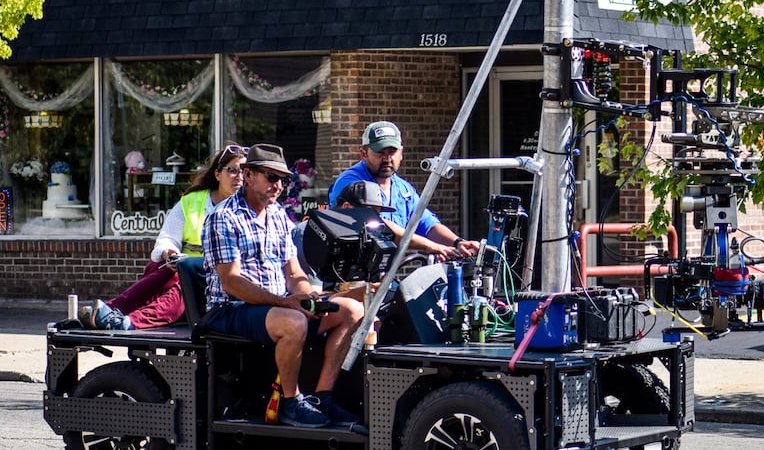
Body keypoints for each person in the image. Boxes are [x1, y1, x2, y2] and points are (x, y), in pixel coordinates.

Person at [198, 143, 365, 429]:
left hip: (274, 304)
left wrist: (308, 294)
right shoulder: (223, 217)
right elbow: (232, 282)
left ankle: (322, 397)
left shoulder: (277, 215)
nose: (279, 185)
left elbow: (294, 271)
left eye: (283, 179)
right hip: (230, 308)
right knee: (294, 322)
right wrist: (287, 302)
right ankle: (290, 402)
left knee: (352, 308)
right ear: (248, 175)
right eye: (271, 177)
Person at [79, 143, 246, 330]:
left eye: (244, 172)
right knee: (161, 269)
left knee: (185, 285)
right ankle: (113, 309)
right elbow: (168, 236)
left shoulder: (247, 206)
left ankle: (130, 322)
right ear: (217, 174)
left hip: (216, 274)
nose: (239, 177)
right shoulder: (193, 200)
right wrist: (170, 253)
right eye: (233, 171)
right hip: (183, 266)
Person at [327, 121, 481, 262]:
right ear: (363, 153)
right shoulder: (351, 183)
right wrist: (430, 246)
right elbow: (376, 225)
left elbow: (426, 224)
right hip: (344, 272)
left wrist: (458, 242)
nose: (387, 158)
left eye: (392, 152)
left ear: (401, 153)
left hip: (382, 274)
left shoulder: (403, 189)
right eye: (380, 152)